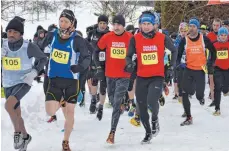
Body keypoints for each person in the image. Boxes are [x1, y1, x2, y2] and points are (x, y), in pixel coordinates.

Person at [40, 9, 90, 150]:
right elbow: (40, 48)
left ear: (72, 23)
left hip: (71, 81)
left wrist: (79, 67)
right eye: (61, 21)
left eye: (66, 21)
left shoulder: (77, 40)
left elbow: (87, 57)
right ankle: (61, 101)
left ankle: (66, 142)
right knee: (50, 111)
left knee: (70, 112)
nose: (62, 24)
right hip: (54, 79)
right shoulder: (52, 36)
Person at [125, 11, 177, 143]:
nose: (146, 26)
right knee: (141, 107)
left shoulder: (162, 37)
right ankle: (148, 133)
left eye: (149, 24)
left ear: (154, 25)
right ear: (140, 25)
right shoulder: (135, 39)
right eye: (144, 24)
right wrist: (130, 64)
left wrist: (170, 67)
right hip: (142, 76)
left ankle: (154, 118)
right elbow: (128, 55)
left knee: (151, 101)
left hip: (157, 76)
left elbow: (174, 50)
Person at [1, 18, 47, 150]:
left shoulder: (29, 46)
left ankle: (17, 135)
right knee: (16, 112)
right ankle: (26, 137)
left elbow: (43, 58)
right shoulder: (2, 44)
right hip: (8, 82)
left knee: (8, 106)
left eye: (15, 32)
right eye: (9, 31)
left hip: (23, 81)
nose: (11, 34)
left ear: (21, 34)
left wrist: (35, 72)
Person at [94, 15, 132, 144]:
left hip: (124, 76)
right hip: (110, 75)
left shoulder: (130, 38)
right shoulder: (107, 37)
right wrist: (99, 68)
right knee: (111, 99)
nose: (116, 27)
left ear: (123, 26)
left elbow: (138, 54)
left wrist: (133, 64)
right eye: (114, 25)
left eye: (119, 25)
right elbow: (96, 51)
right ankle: (122, 104)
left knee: (115, 103)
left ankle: (112, 132)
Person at [178, 18, 216, 126]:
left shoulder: (204, 39)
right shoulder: (184, 40)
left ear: (197, 28)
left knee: (199, 94)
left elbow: (213, 51)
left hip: (200, 69)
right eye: (190, 26)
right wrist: (178, 63)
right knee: (185, 92)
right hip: (188, 69)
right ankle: (189, 117)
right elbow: (178, 54)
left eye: (194, 26)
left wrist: (210, 63)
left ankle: (201, 97)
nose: (191, 28)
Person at [86, 15, 110, 120]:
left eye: (105, 23)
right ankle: (93, 100)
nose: (103, 25)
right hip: (93, 61)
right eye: (101, 23)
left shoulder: (110, 34)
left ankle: (100, 107)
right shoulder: (92, 33)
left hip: (106, 62)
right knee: (94, 81)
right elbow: (85, 44)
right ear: (98, 23)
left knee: (103, 86)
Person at [212, 27, 229, 116]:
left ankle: (225, 89)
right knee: (217, 87)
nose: (223, 37)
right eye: (221, 35)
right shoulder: (214, 44)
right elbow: (210, 57)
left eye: (225, 35)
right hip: (217, 68)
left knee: (225, 89)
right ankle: (217, 108)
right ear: (218, 35)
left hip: (227, 69)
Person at [207, 18, 222, 104]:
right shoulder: (209, 35)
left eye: (217, 25)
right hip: (211, 59)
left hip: (221, 61)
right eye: (214, 25)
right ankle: (213, 98)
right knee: (211, 80)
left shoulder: (224, 35)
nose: (215, 27)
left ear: (220, 26)